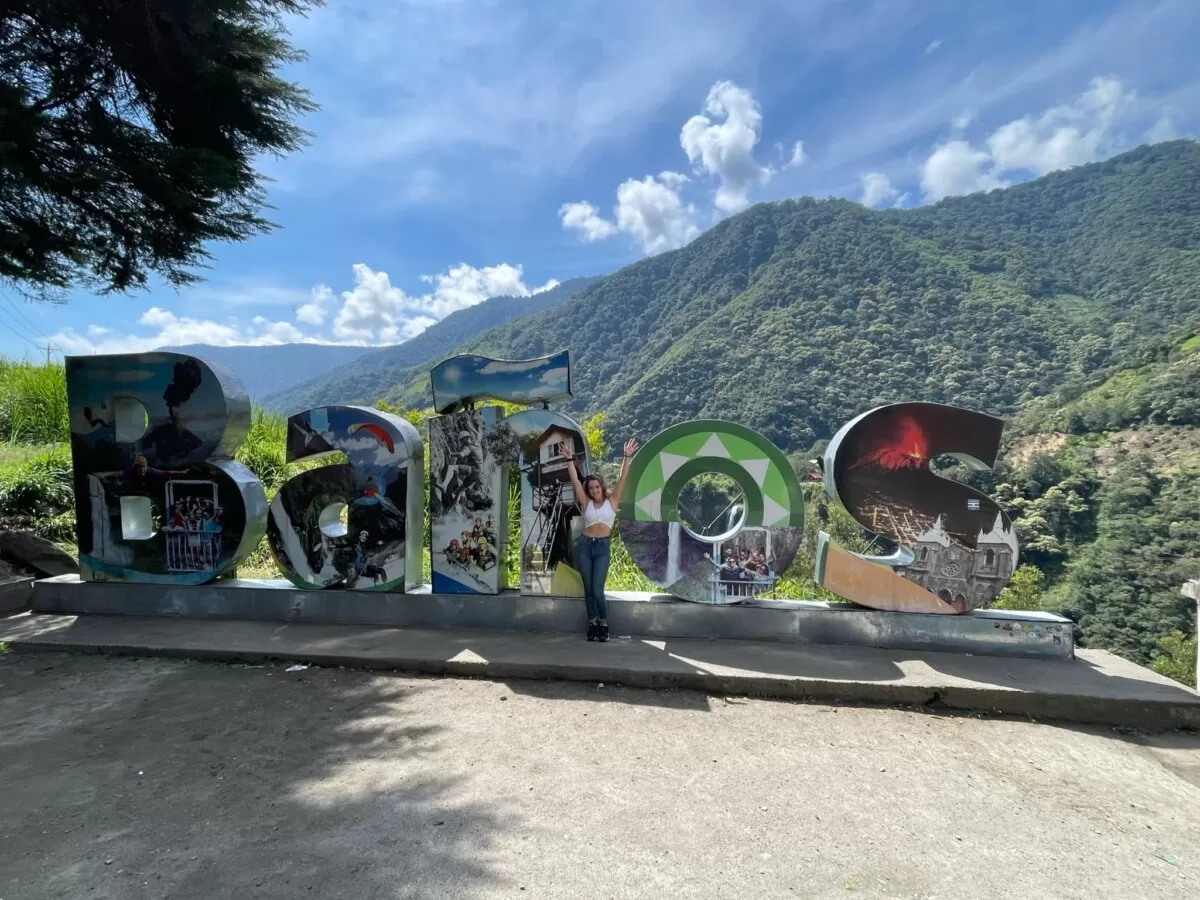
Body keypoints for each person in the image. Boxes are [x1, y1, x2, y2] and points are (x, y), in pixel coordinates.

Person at [560, 438, 639, 642]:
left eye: (597, 487)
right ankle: (593, 623)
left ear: (602, 487)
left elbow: (622, 479)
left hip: (602, 547)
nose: (594, 490)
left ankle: (603, 623)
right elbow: (576, 481)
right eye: (591, 488)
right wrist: (569, 459)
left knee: (597, 589)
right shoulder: (585, 502)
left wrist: (626, 456)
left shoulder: (612, 502)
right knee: (588, 589)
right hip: (585, 546)